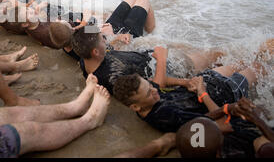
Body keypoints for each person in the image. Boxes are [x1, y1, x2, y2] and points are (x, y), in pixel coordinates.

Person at [112, 40, 273, 134]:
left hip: (206, 80)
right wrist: (203, 93)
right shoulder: (168, 116)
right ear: (134, 106)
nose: (155, 90)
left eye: (150, 87)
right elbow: (223, 124)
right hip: (225, 91)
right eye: (149, 93)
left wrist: (186, 82)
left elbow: (159, 84)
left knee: (244, 60)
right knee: (259, 67)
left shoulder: (145, 102)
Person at [176, 99, 274, 158]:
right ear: (218, 153)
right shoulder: (239, 152)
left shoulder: (200, 150)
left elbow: (199, 123)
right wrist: (256, 120)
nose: (226, 128)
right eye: (220, 132)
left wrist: (226, 109)